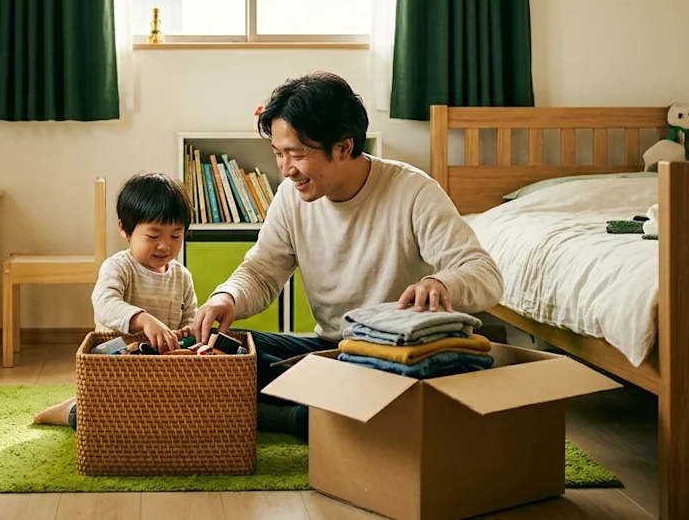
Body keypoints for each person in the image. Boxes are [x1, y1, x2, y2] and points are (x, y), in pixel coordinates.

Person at [190, 72, 504, 438]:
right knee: (221, 348)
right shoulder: (292, 196)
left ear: (342, 147)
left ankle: (288, 414)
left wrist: (440, 282)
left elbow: (485, 274)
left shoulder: (413, 191)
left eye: (298, 154)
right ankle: (324, 410)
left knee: (410, 388)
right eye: (278, 154)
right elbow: (261, 272)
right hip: (333, 349)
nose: (287, 169)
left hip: (392, 357)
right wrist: (227, 297)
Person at [33, 171, 198, 428]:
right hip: (116, 363)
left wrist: (187, 340)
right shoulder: (119, 267)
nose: (165, 246)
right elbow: (104, 303)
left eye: (175, 236)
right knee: (110, 420)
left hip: (162, 369)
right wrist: (142, 320)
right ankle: (72, 410)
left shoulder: (182, 276)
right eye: (153, 236)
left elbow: (190, 318)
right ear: (124, 228)